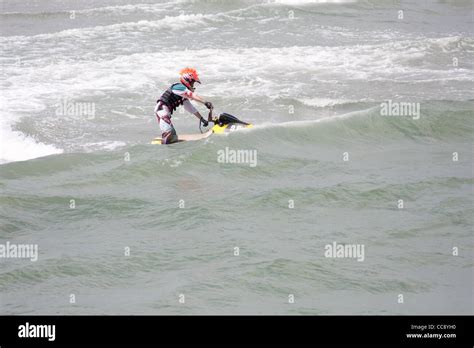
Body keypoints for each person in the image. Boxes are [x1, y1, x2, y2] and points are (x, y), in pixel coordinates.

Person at [154, 68, 213, 144]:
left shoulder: (183, 94)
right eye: (193, 82)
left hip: (164, 112)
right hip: (161, 111)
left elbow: (190, 108)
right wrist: (205, 102)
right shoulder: (179, 87)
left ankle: (167, 137)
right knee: (169, 135)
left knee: (172, 135)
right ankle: (165, 138)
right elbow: (192, 95)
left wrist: (201, 119)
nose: (193, 85)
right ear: (187, 80)